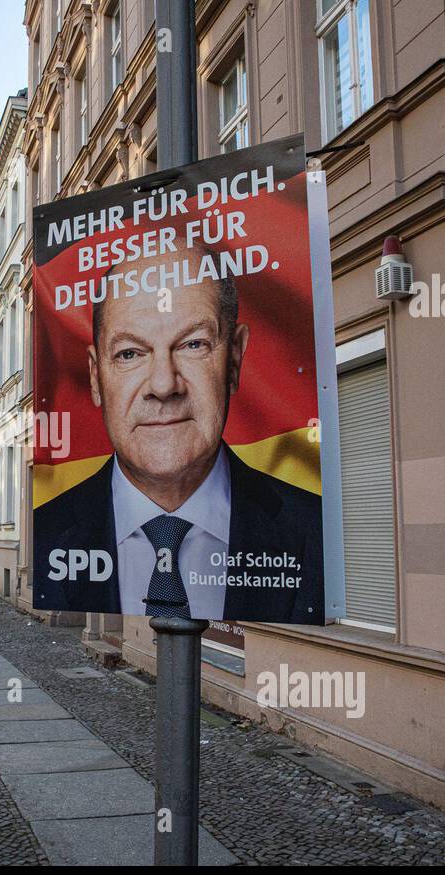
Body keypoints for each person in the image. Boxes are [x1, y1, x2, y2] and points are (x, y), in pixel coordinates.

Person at [33, 244, 323, 624]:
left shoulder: (312, 530)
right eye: (130, 354)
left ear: (234, 359)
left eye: (193, 344)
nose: (164, 384)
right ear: (95, 376)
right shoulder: (47, 534)